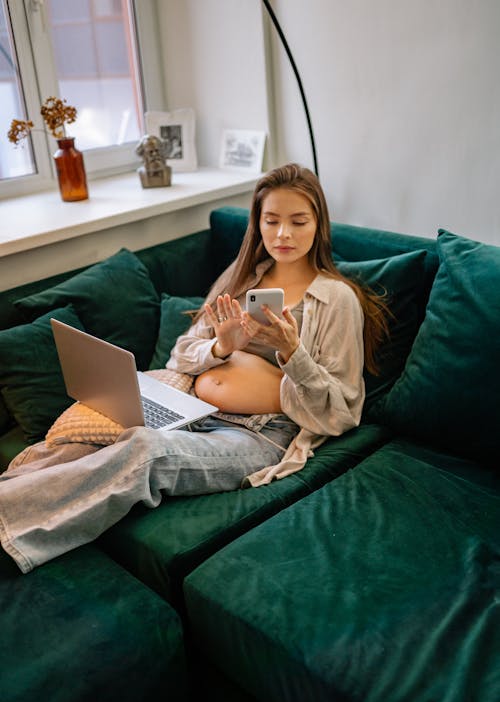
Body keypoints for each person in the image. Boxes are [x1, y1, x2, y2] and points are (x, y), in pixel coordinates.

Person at [0, 163, 389, 573]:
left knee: (146, 451)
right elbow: (181, 354)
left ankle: (9, 531)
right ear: (257, 224)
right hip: (192, 406)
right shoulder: (241, 278)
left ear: (319, 225)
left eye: (298, 221)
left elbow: (342, 411)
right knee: (84, 439)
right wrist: (222, 346)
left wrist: (294, 354)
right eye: (271, 220)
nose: (283, 234)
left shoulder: (336, 299)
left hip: (262, 434)